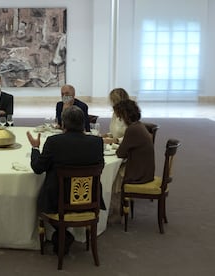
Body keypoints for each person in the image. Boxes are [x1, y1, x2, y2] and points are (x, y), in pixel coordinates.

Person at [26, 105, 104, 255]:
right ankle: (65, 235)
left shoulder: (54, 142)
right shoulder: (97, 142)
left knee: (46, 194)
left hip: (57, 202)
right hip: (88, 199)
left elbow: (37, 168)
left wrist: (35, 148)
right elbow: (101, 166)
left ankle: (61, 233)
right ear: (83, 123)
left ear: (63, 124)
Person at [108, 99, 155, 223]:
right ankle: (115, 208)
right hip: (145, 169)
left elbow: (120, 153)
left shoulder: (132, 130)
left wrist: (115, 145)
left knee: (113, 175)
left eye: (119, 116)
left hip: (139, 173)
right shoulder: (139, 126)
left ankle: (116, 211)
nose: (118, 119)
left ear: (124, 115)